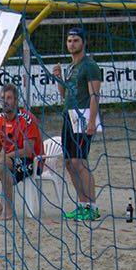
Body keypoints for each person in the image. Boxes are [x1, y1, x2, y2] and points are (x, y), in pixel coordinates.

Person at [52, 27, 102, 220]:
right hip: (69, 117)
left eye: (76, 40)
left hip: (83, 118)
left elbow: (94, 95)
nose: (72, 44)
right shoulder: (70, 67)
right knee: (68, 163)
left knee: (79, 162)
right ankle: (82, 204)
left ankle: (92, 206)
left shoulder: (90, 66)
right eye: (69, 40)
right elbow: (64, 94)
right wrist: (58, 78)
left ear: (83, 42)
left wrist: (92, 122)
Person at [0, 84, 43, 220]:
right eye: (2, 98)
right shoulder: (0, 118)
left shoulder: (27, 118)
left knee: (1, 162)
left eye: (8, 98)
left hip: (32, 162)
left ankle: (8, 210)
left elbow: (27, 151)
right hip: (9, 160)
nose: (5, 101)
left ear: (16, 100)